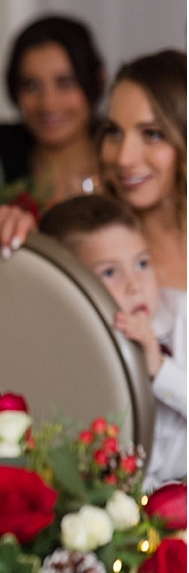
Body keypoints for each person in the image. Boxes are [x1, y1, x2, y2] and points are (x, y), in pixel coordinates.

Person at [0, 50, 187, 287]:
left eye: (152, 134)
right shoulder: (82, 245)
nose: (123, 158)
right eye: (114, 132)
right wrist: (19, 238)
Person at [39, 195, 185, 490]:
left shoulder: (181, 314)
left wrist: (160, 369)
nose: (135, 285)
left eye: (142, 263)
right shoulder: (66, 353)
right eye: (109, 272)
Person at [0, 16, 104, 206]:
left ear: (97, 81)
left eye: (65, 83)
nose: (48, 104)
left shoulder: (121, 157)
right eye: (32, 86)